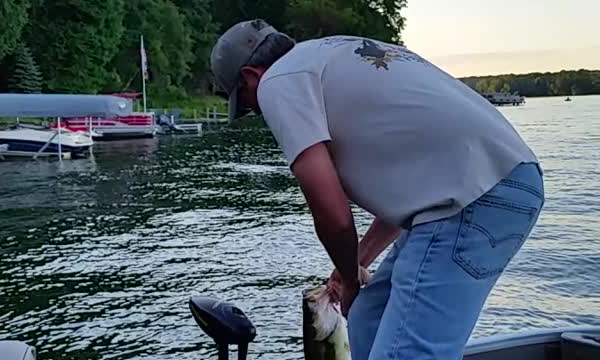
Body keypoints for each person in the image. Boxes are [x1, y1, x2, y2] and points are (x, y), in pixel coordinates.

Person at [210, 19, 545, 360]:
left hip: (471, 202)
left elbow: (332, 213)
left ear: (251, 76)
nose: (259, 112)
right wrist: (357, 262)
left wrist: (349, 280)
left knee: (408, 353)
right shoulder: (335, 52)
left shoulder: (277, 82)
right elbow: (423, 185)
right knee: (369, 317)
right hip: (511, 182)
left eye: (249, 104)